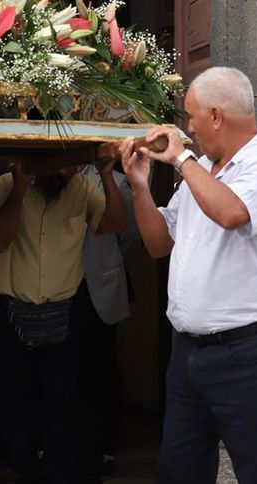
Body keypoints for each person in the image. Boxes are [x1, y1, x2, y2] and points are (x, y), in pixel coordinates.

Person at [120, 66, 257, 484]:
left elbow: (232, 212)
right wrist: (141, 188)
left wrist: (180, 159)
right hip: (189, 356)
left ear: (217, 116)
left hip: (250, 352)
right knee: (179, 471)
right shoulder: (203, 168)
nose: (188, 129)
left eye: (191, 117)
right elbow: (158, 243)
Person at [0, 154, 126, 484]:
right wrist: (19, 189)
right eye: (55, 164)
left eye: (69, 163)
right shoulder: (2, 187)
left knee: (62, 406)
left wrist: (106, 176)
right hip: (9, 312)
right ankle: (22, 473)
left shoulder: (82, 186)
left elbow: (116, 225)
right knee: (14, 405)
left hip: (62, 313)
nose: (64, 171)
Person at [80, 165, 143, 478]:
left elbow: (130, 238)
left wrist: (109, 267)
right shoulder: (49, 176)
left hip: (100, 288)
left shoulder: (117, 182)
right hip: (58, 288)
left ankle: (102, 449)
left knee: (100, 370)